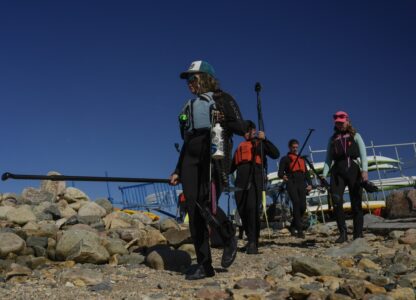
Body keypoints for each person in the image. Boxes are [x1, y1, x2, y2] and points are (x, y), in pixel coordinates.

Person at [169, 60, 246, 280]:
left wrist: (224, 120)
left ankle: (228, 235)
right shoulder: (189, 106)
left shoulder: (223, 98)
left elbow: (240, 127)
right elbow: (186, 140)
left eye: (193, 78)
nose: (189, 83)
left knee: (207, 203)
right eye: (187, 80)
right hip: (190, 156)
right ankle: (205, 264)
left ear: (206, 78)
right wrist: (177, 170)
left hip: (214, 154)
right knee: (192, 209)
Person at [231, 120, 279, 254]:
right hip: (240, 180)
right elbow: (230, 167)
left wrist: (265, 139)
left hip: (255, 177)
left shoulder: (260, 144)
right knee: (242, 210)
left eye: (249, 130)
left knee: (252, 209)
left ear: (254, 130)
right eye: (244, 132)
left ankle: (253, 241)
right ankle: (250, 238)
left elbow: (276, 154)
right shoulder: (239, 147)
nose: (246, 133)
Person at [321, 111, 368, 243]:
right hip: (337, 173)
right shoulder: (332, 139)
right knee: (336, 201)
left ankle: (357, 234)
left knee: (356, 202)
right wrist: (324, 175)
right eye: (337, 123)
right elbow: (328, 159)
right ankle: (343, 234)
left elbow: (363, 155)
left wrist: (364, 171)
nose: (340, 125)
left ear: (347, 121)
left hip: (353, 170)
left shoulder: (356, 136)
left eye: (342, 122)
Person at [278, 139, 312, 238]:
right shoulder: (285, 159)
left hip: (302, 183)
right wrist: (282, 176)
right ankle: (300, 230)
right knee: (296, 203)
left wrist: (310, 184)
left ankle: (292, 226)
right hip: (291, 183)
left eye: (297, 147)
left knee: (303, 207)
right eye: (293, 147)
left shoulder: (301, 159)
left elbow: (306, 173)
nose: (295, 149)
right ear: (289, 147)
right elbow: (280, 173)